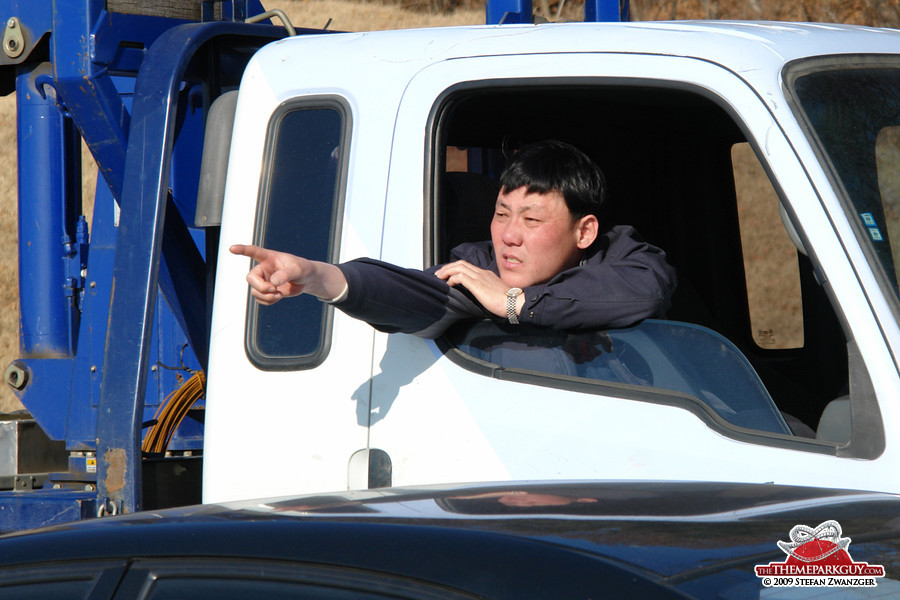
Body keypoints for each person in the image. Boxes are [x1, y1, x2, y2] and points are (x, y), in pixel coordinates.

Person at [231, 140, 676, 339]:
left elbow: (640, 292)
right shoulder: (480, 268)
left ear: (585, 231)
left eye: (532, 220)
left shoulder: (629, 260)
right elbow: (416, 294)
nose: (509, 235)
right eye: (502, 214)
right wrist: (315, 276)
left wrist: (516, 302)